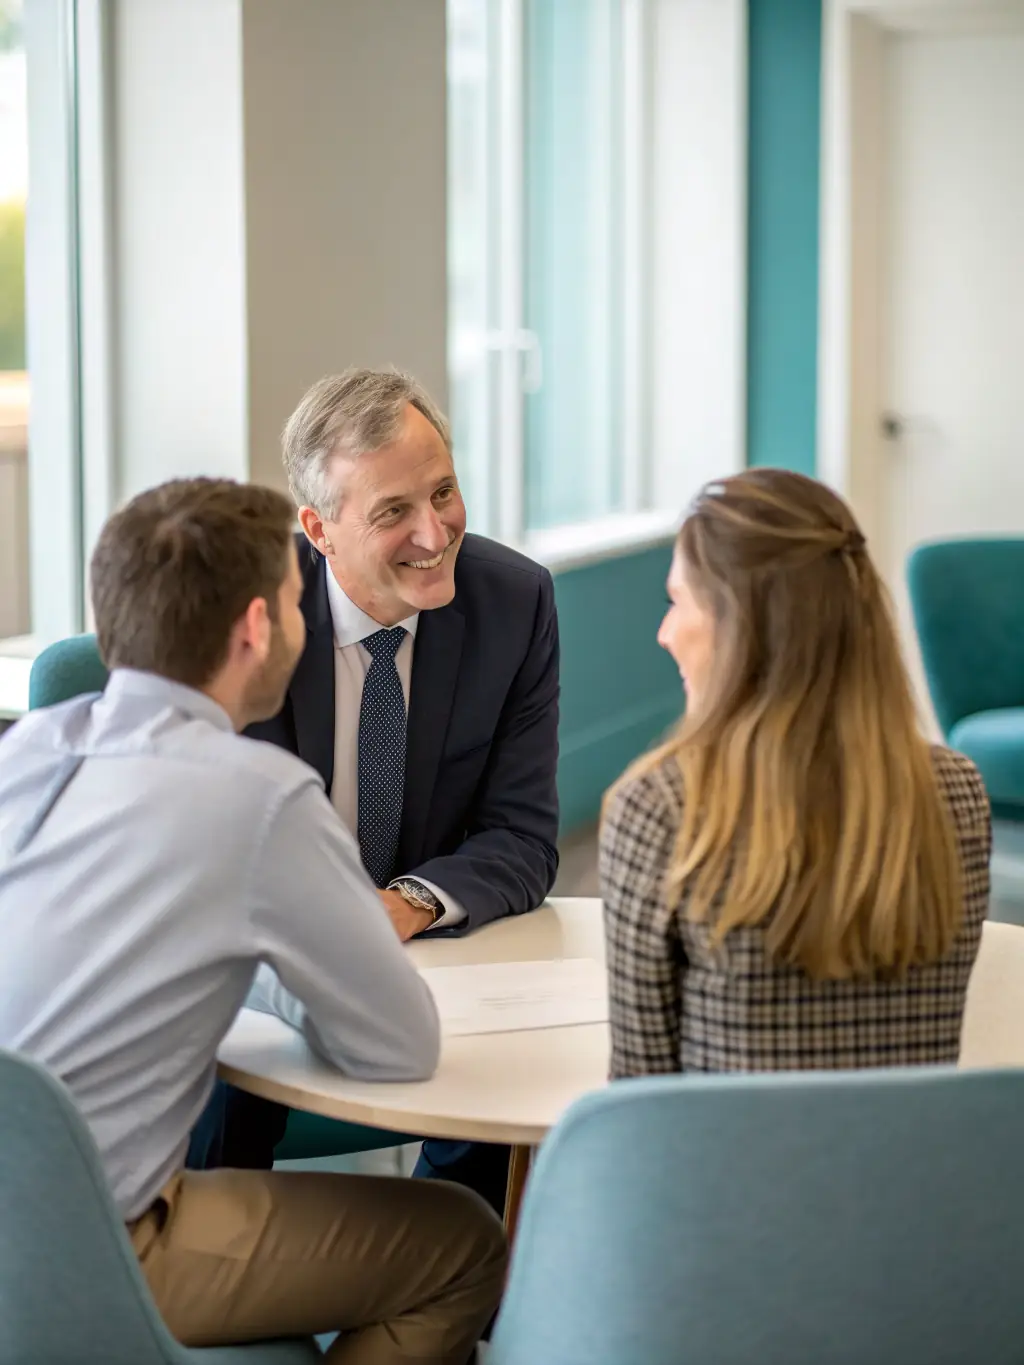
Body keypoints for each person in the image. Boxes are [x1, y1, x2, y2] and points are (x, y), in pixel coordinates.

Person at [0, 479, 506, 1364]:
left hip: (23, 1206)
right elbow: (398, 1044)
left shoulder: (27, 752)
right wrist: (281, 971)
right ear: (256, 627)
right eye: (296, 593)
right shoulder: (258, 797)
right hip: (96, 1243)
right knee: (462, 1244)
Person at [194, 369, 560, 1211]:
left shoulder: (516, 601)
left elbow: (525, 834)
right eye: (394, 511)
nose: (435, 532)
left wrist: (406, 904)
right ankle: (217, 1307)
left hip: (430, 956)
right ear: (318, 529)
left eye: (444, 491)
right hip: (266, 958)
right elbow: (208, 842)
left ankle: (439, 1292)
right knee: (219, 1099)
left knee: (504, 1097)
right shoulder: (247, 616)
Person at [600, 468, 992, 1078]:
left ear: (738, 626)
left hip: (723, 1174)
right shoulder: (956, 792)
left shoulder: (660, 807)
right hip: (915, 1172)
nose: (665, 633)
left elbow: (640, 1097)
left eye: (679, 602)